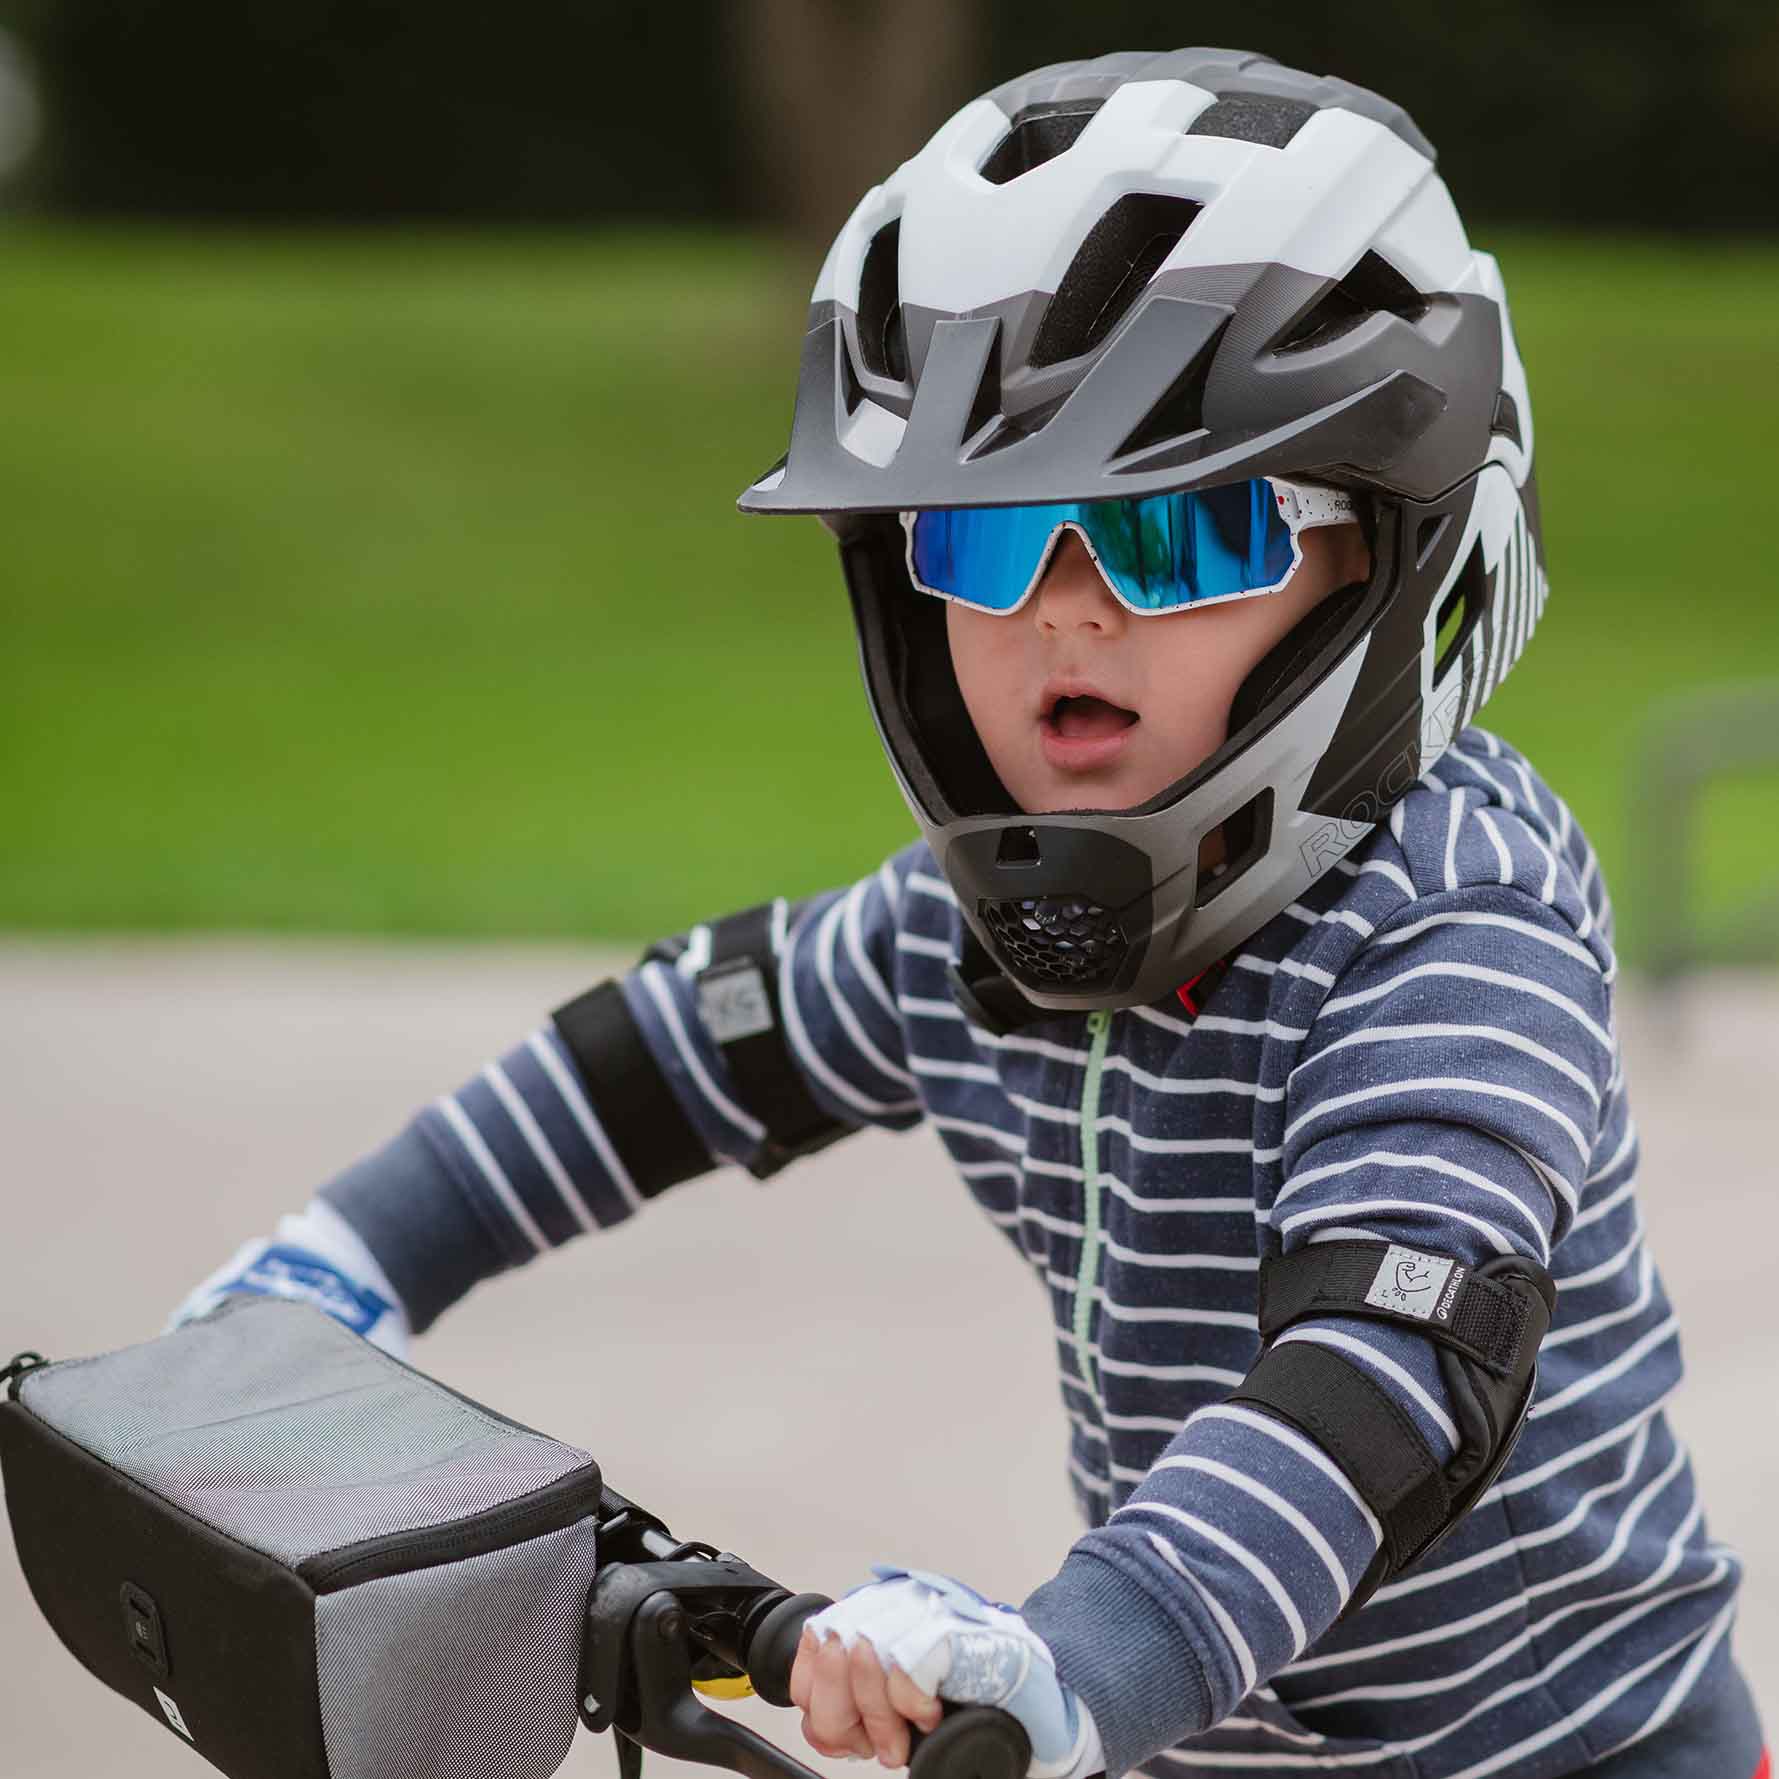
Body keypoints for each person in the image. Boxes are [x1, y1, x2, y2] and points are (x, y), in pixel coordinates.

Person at [171, 48, 1768, 1779]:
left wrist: (1085, 1655)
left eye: (1178, 535)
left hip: (1574, 1751)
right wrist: (333, 1275)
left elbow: (1387, 1370)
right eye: (986, 543)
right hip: (1201, 1738)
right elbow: (667, 1056)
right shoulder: (986, 923)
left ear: (1389, 555)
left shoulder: (1454, 918)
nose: (1063, 617)